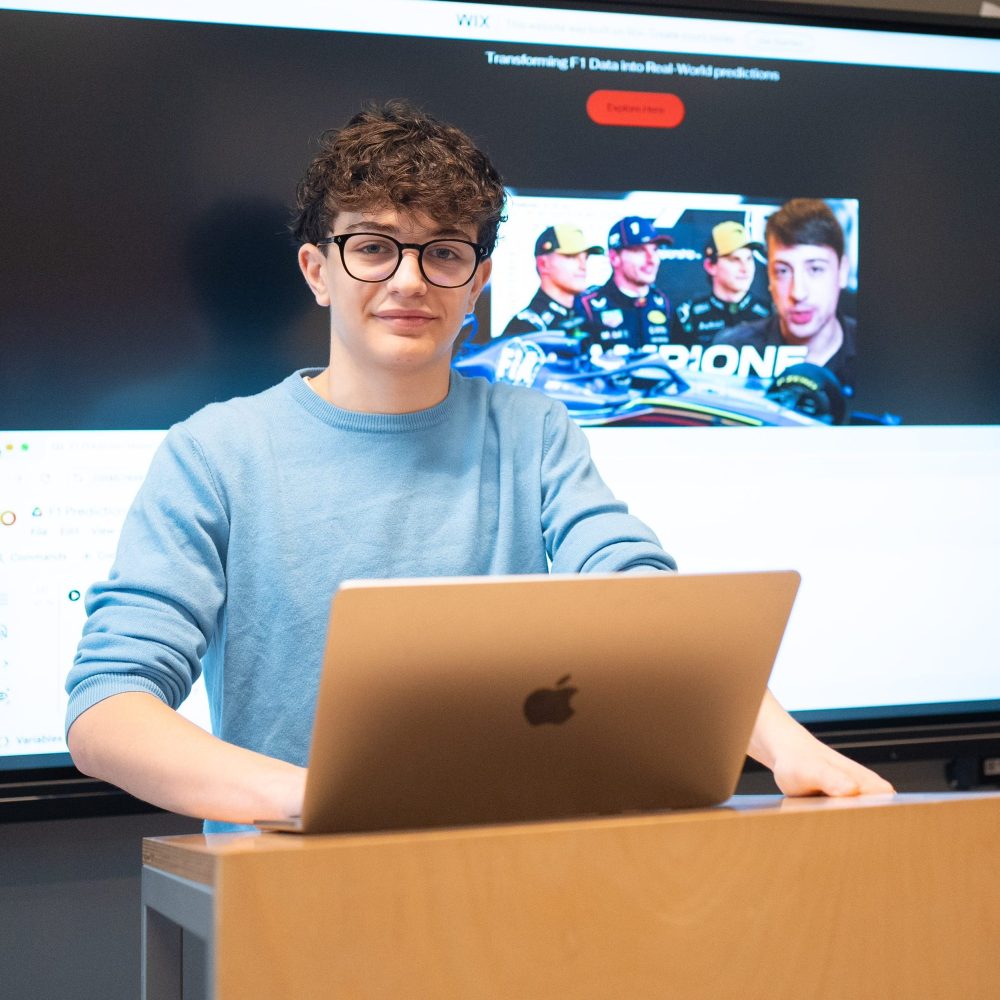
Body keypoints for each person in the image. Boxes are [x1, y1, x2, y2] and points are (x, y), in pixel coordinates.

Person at [65, 103, 892, 832]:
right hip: (295, 886)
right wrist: (311, 797)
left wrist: (786, 747)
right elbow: (108, 708)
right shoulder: (214, 452)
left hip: (514, 872)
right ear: (318, 271)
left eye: (444, 253)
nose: (409, 280)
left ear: (479, 281)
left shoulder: (533, 431)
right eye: (373, 248)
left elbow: (645, 604)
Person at [714, 200, 857, 395]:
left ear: (842, 272)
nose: (798, 293)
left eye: (815, 269)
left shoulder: (877, 352)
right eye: (783, 271)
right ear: (769, 277)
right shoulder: (731, 351)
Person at [575, 217, 673, 352]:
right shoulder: (587, 306)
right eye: (640, 250)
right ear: (614, 257)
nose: (652, 260)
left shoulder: (663, 303)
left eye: (655, 250)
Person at [673, 221, 770, 349]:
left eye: (749, 259)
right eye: (735, 259)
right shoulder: (688, 315)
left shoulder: (770, 313)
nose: (745, 268)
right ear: (710, 266)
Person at [500, 225, 603, 338]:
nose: (583, 266)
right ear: (543, 264)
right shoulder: (525, 327)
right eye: (572, 256)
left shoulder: (593, 317)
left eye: (585, 258)